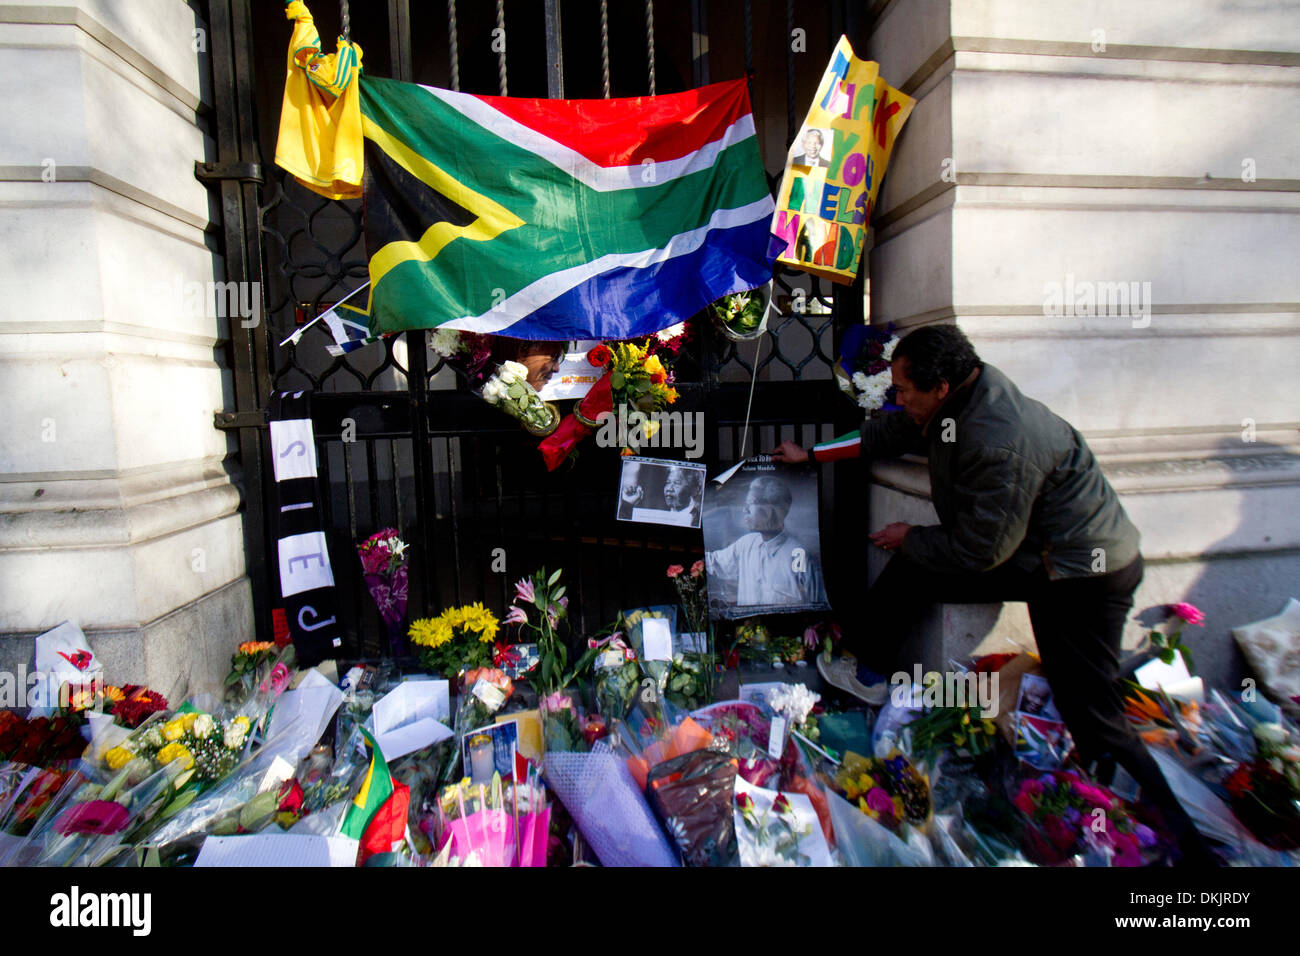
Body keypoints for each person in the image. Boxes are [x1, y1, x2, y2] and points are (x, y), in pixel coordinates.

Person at [773, 323, 1216, 865]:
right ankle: (869, 667)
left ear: (940, 386)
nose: (898, 398)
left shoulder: (995, 436)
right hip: (1038, 559)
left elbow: (979, 553)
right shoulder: (953, 405)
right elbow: (887, 435)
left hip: (1082, 577)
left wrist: (912, 535)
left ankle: (1191, 854)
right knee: (918, 570)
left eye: (905, 389)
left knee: (1094, 714)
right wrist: (813, 455)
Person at [706, 475, 826, 610]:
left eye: (750, 503)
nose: (745, 510)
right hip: (746, 629)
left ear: (771, 510)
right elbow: (711, 563)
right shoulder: (746, 544)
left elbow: (818, 607)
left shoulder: (799, 554)